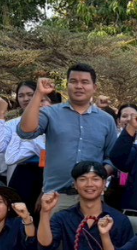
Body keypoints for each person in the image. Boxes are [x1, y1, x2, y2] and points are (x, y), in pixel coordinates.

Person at [16, 64, 118, 214]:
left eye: (84, 82)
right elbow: (25, 131)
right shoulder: (50, 113)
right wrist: (38, 94)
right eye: (73, 81)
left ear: (94, 87)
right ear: (67, 85)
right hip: (56, 197)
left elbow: (113, 157)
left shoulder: (107, 120)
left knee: (90, 237)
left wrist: (101, 172)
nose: (78, 86)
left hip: (91, 198)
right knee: (53, 237)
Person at [1, 81, 48, 211]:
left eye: (30, 95)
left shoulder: (50, 121)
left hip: (46, 176)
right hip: (22, 174)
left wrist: (44, 190)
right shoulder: (12, 124)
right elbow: (9, 157)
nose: (25, 99)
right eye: (21, 95)